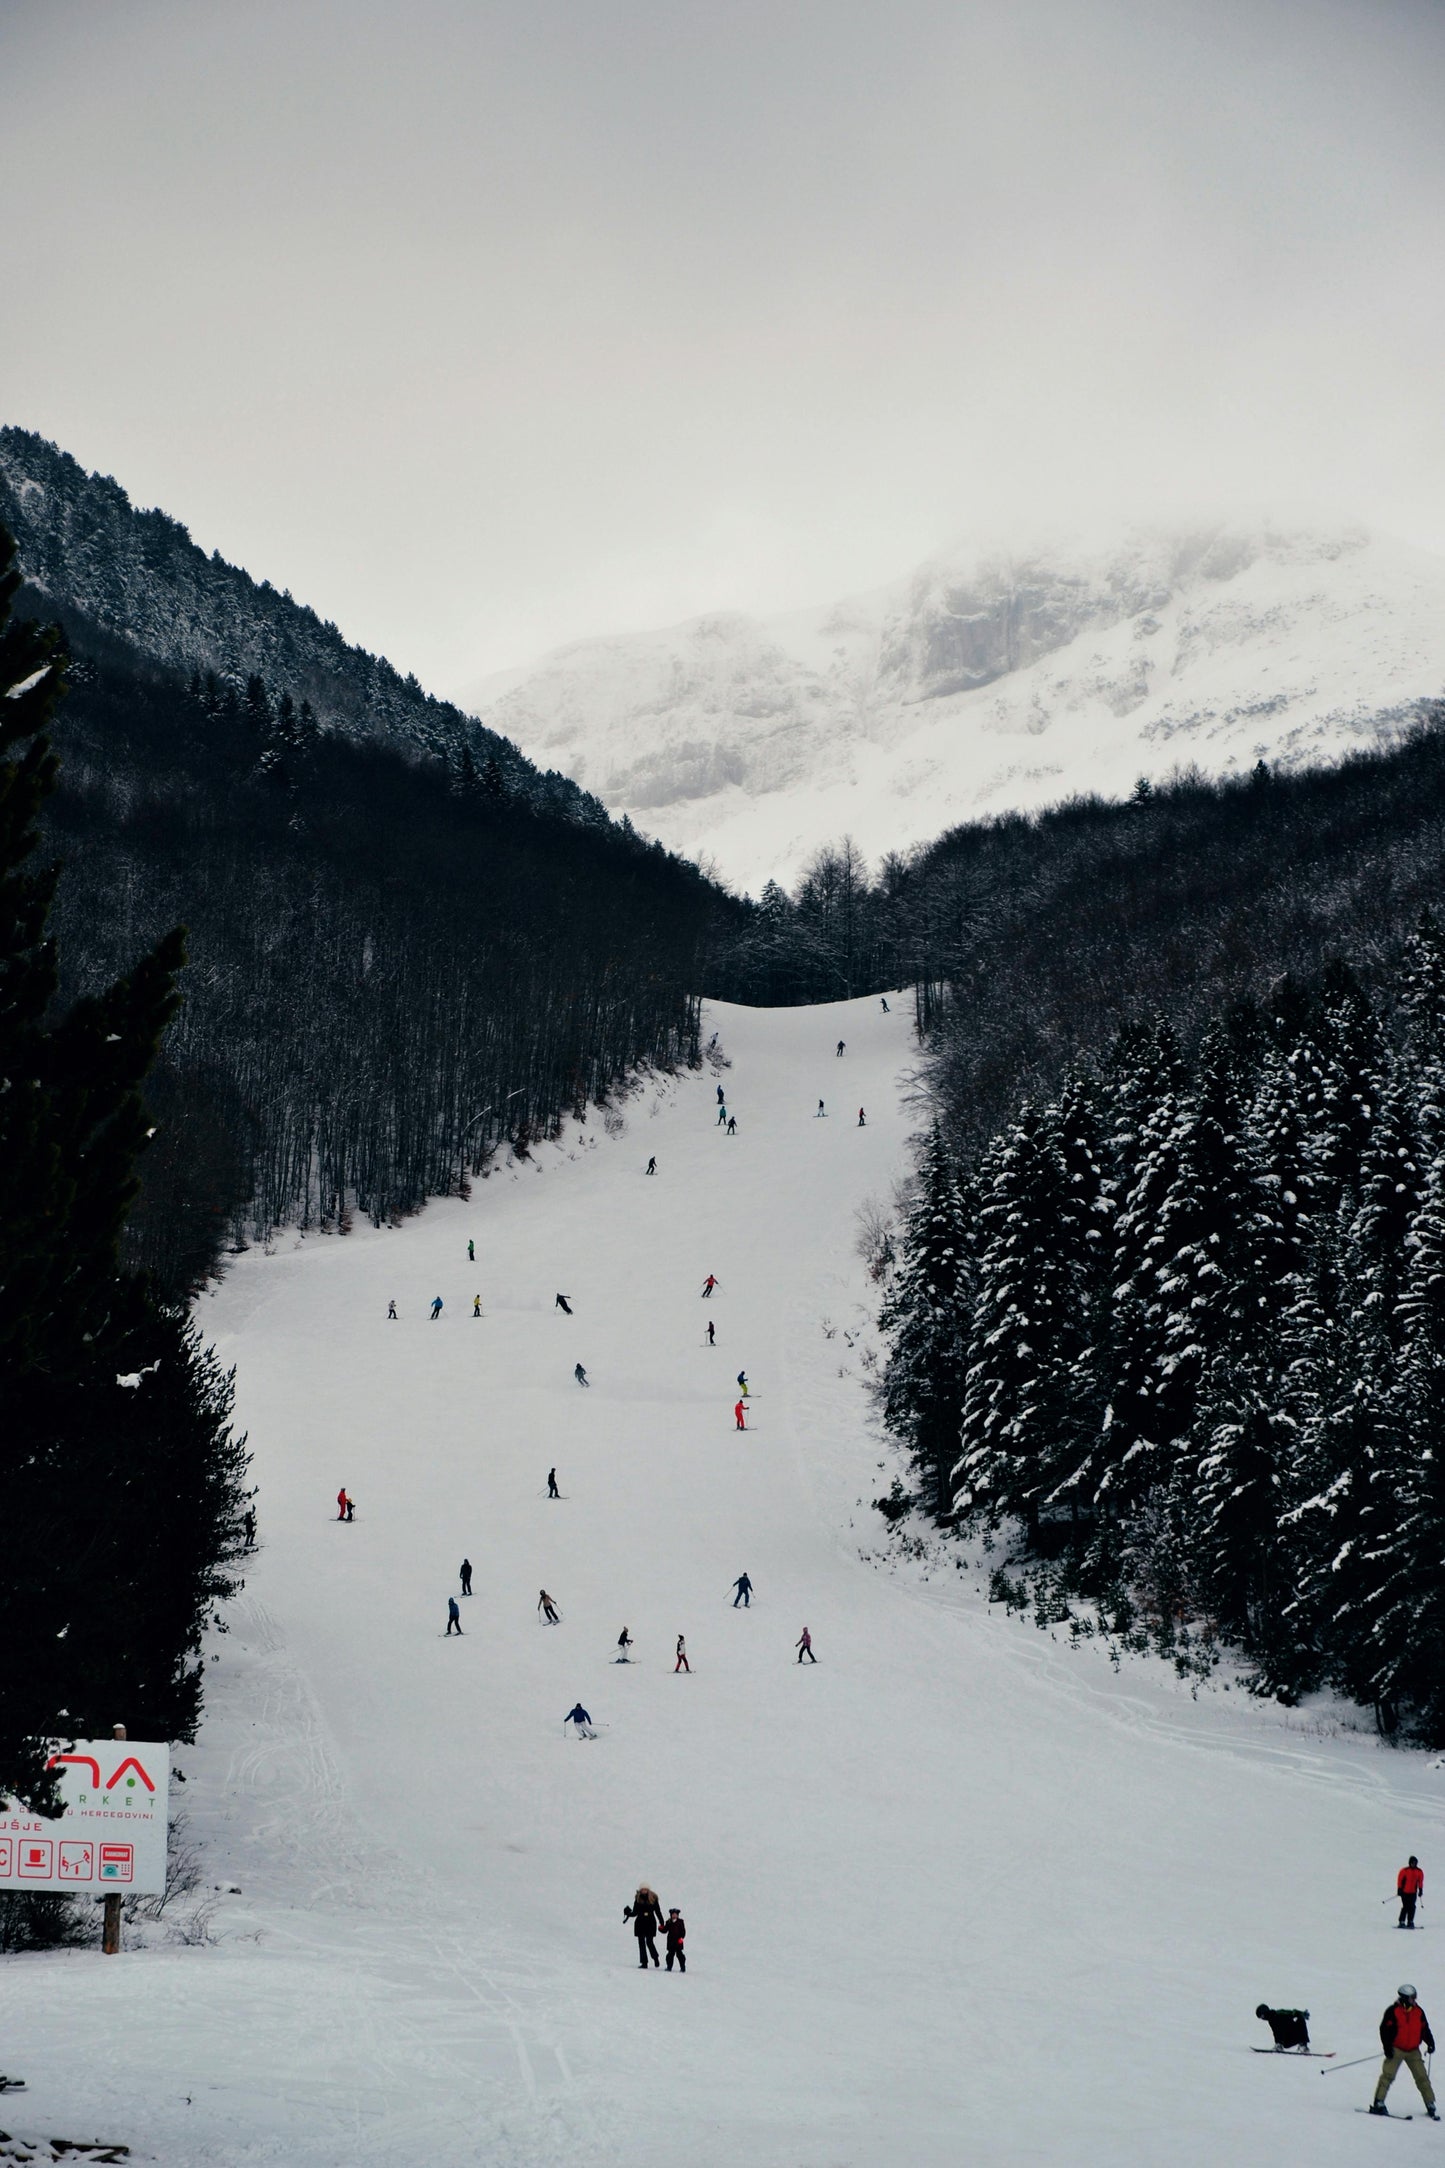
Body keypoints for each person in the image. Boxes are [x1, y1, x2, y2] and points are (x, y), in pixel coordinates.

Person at [1370, 1985, 1439, 2117]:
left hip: (1413, 2050)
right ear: (1405, 1998)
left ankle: (1430, 2103)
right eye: (1412, 1998)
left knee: (1422, 2077)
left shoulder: (1418, 2011)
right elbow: (1384, 2030)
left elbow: (1424, 2029)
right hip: (1396, 2049)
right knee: (1388, 2075)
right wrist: (1387, 2048)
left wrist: (1430, 2043)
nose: (1415, 2000)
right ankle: (1379, 2102)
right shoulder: (1393, 2011)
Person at [625, 1885, 664, 1968]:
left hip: (650, 1922)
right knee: (641, 1943)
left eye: (645, 1889)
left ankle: (655, 1957)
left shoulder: (653, 1898)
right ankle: (644, 1962)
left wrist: (661, 1921)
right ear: (640, 1890)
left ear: (648, 1890)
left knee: (649, 1942)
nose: (644, 1891)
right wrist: (628, 1913)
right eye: (643, 1889)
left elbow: (657, 1911)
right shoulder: (638, 1899)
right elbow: (635, 1912)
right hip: (640, 1922)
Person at [1398, 1857, 1424, 1928]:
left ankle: (1410, 1921)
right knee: (1406, 1906)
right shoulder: (1405, 1870)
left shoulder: (1419, 1871)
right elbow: (1400, 1880)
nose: (1413, 1864)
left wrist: (1420, 1889)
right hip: (1404, 1892)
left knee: (1412, 1907)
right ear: (1410, 1863)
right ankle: (1401, 1921)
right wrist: (1399, 1889)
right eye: (1412, 1863)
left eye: (1415, 1863)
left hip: (1413, 1893)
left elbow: (1420, 1881)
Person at [665, 1908, 686, 1973]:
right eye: (673, 1914)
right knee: (670, 1955)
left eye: (675, 1914)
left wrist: (681, 1938)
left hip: (678, 1942)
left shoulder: (680, 1921)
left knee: (680, 1955)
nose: (674, 1916)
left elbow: (683, 1931)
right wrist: (661, 1929)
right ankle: (669, 1967)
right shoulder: (668, 1922)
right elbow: (665, 1930)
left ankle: (682, 1967)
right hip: (671, 1941)